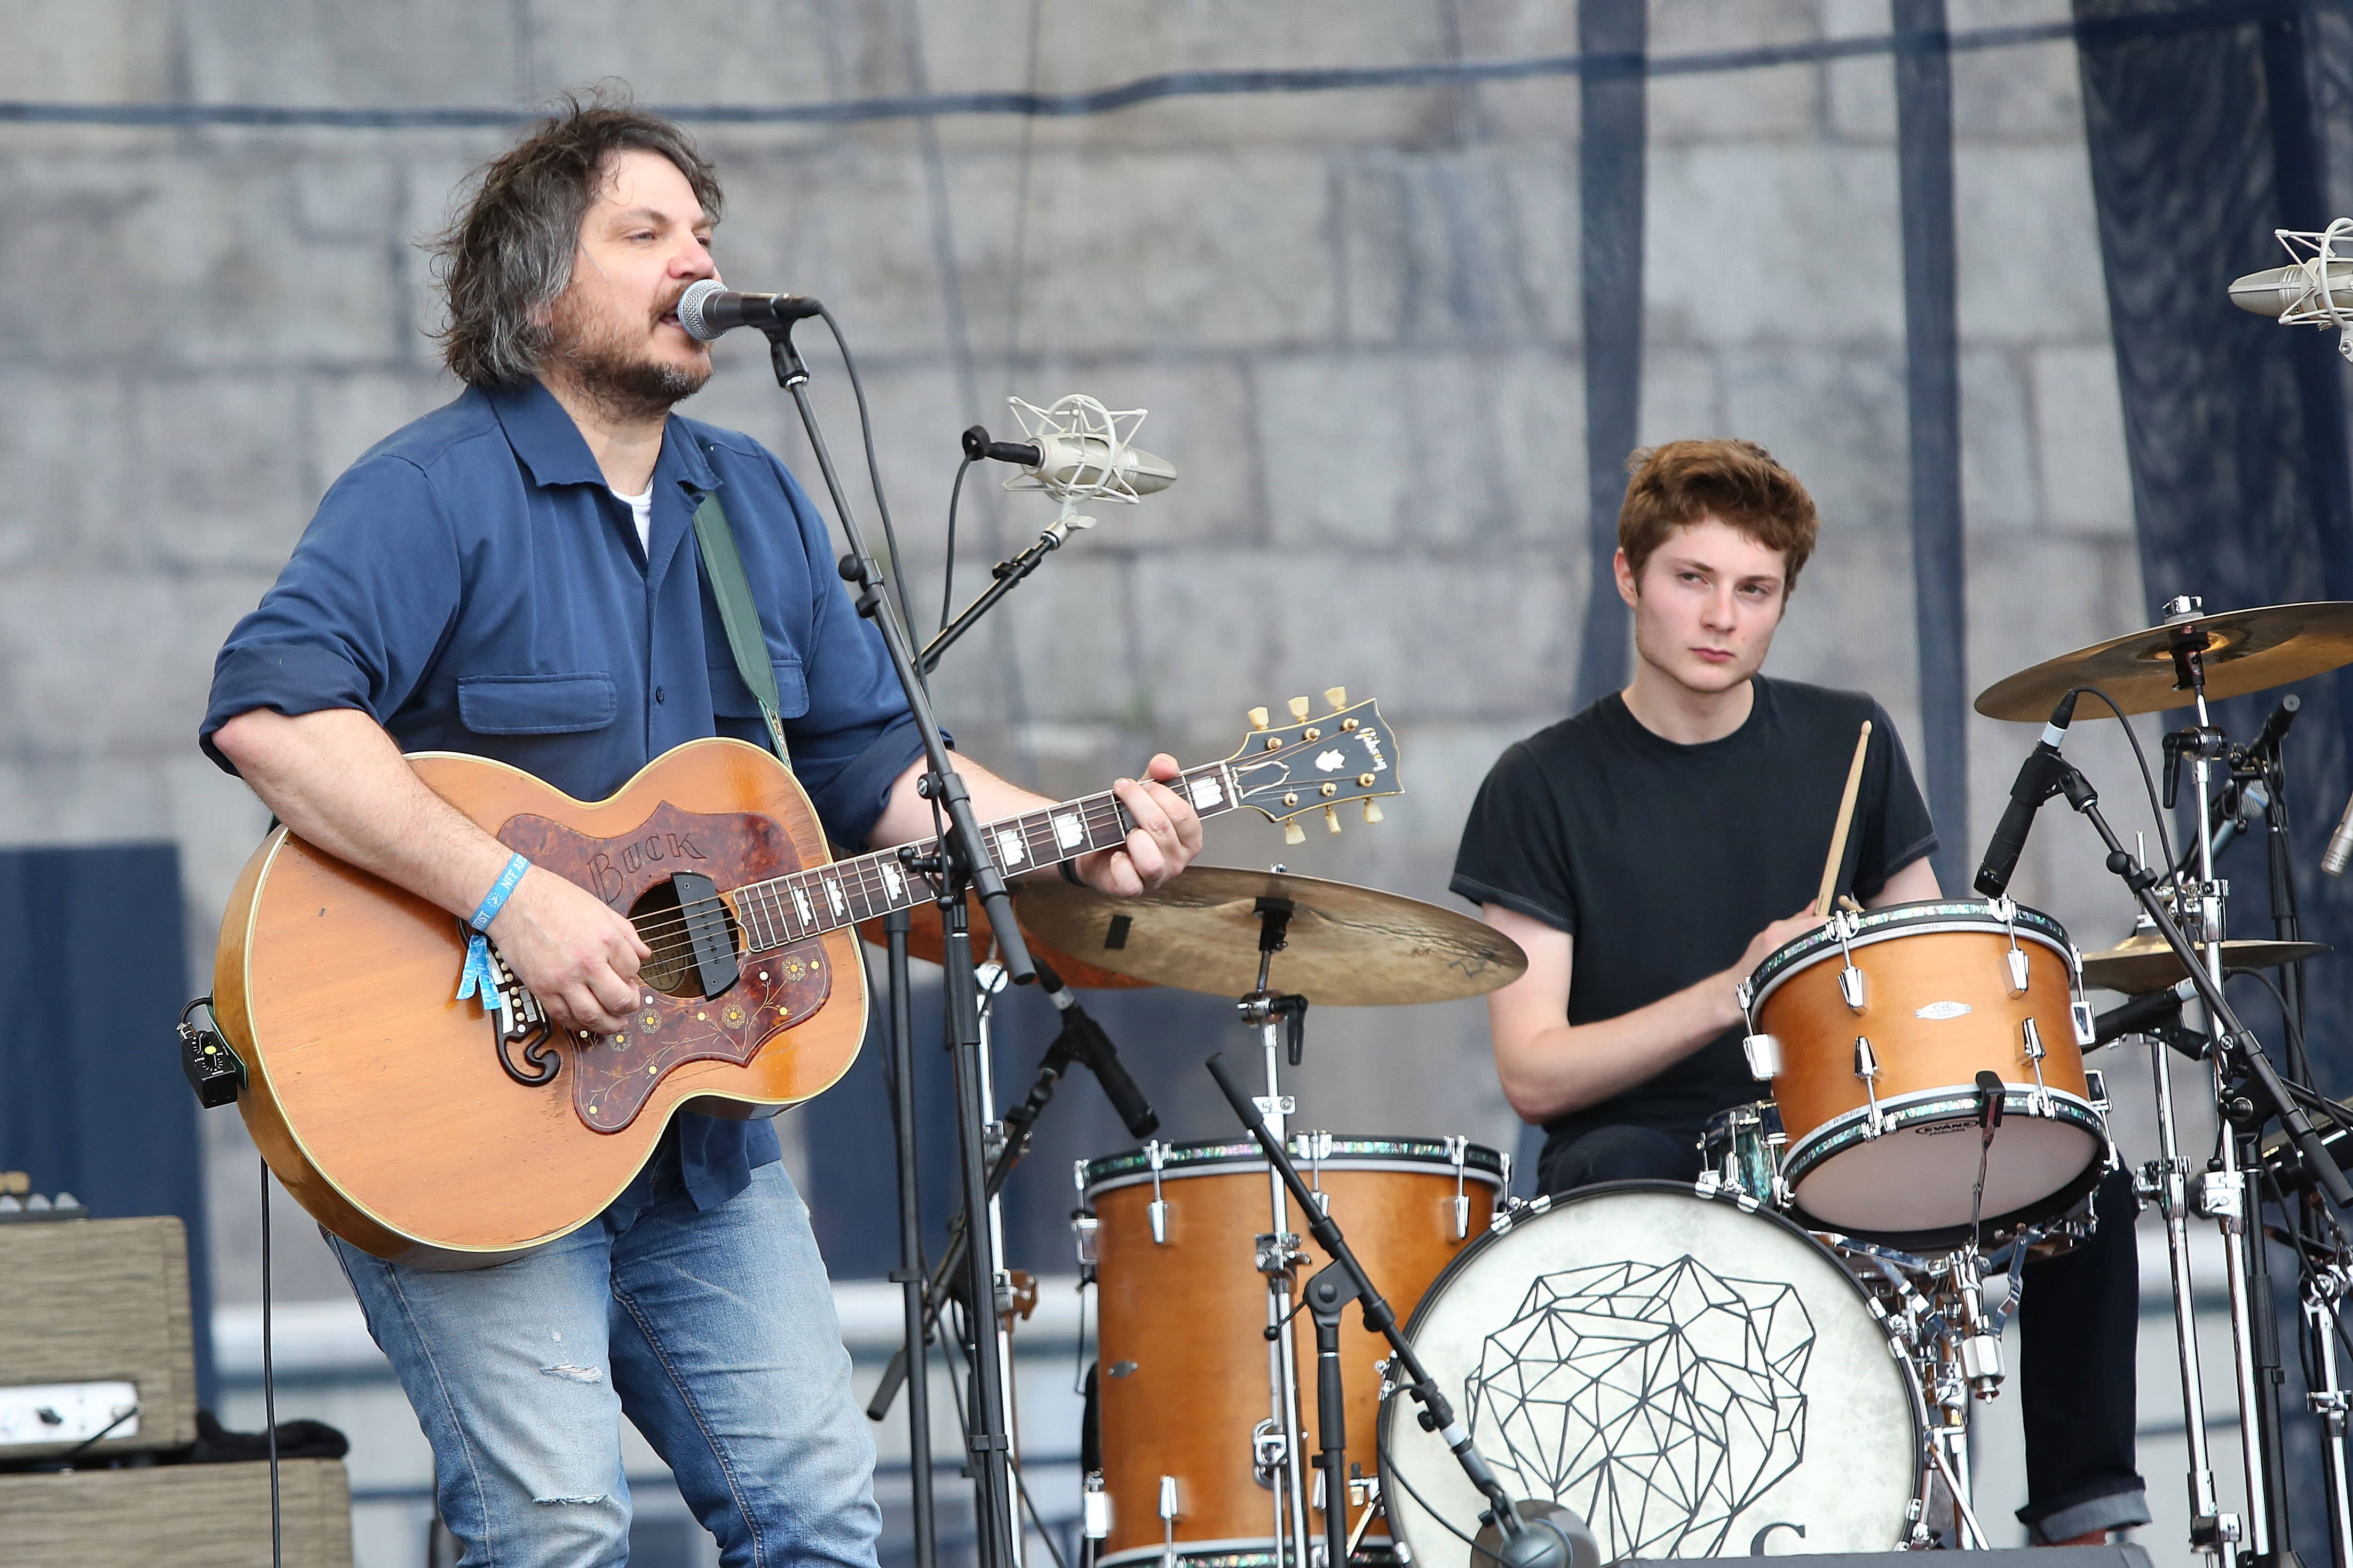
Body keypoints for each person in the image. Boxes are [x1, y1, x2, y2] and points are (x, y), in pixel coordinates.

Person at [200, 95, 1203, 1567]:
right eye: (648, 231)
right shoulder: (431, 494)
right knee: (555, 1527)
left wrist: (1072, 831)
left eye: (705, 232)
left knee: (816, 1515)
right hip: (469, 1111)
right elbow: (272, 714)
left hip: (698, 1130)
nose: (698, 259)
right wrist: (512, 900)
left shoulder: (753, 500)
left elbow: (874, 764)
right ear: (542, 286)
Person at [1451, 439, 2146, 1547]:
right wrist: (1739, 990)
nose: (1721, 616)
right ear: (1628, 577)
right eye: (1692, 579)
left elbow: (1927, 971)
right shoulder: (1540, 785)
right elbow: (1535, 1070)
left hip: (1835, 1133)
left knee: (2088, 1187)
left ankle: (2084, 1530)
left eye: (1755, 590)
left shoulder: (1852, 740)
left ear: (1782, 604)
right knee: (1622, 1168)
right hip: (1644, 1153)